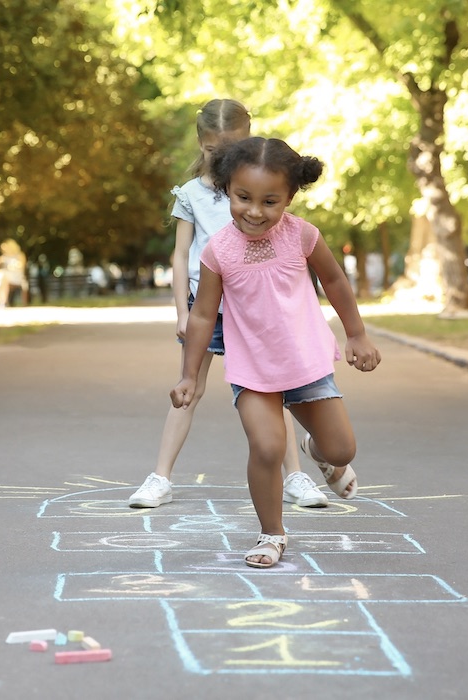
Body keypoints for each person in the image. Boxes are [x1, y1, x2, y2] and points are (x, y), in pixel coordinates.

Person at [171, 136, 382, 568]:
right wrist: (190, 374)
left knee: (341, 450)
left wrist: (356, 334)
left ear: (289, 197)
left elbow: (336, 282)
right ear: (227, 189)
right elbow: (201, 315)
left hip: (305, 363)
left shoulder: (302, 235)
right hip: (253, 370)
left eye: (270, 201)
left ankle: (318, 452)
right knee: (267, 448)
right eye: (243, 197)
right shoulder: (218, 251)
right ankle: (272, 534)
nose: (254, 211)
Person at [129, 99, 329, 510]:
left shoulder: (258, 188)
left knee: (276, 390)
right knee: (189, 387)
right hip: (209, 306)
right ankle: (160, 477)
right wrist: (183, 313)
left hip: (257, 308)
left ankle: (296, 476)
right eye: (212, 151)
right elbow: (180, 255)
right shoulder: (190, 195)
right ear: (200, 144)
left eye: (230, 149)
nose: (220, 159)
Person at [0, 239, 27, 308]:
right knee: (3, 279)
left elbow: (21, 266)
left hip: (17, 277)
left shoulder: (20, 255)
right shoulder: (4, 256)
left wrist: (12, 267)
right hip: (6, 277)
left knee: (2, 274)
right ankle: (2, 303)